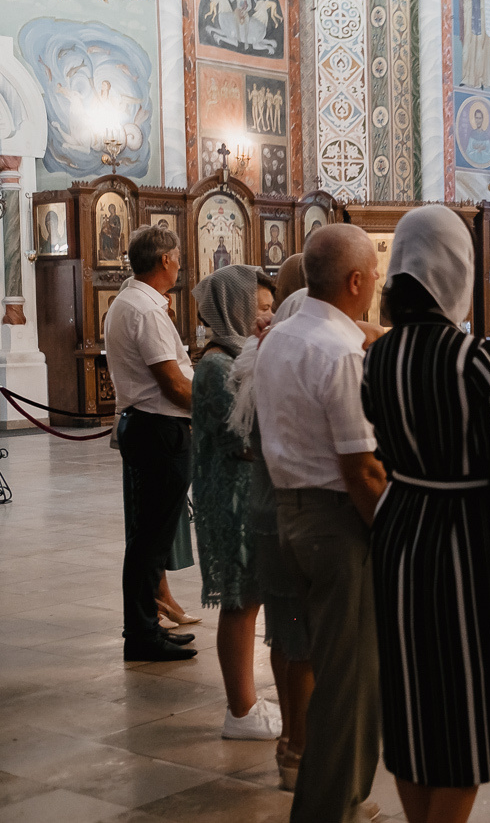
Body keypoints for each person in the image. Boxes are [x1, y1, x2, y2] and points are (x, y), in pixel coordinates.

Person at [362, 206, 490, 822]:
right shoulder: (468, 360)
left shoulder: (377, 356)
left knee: (412, 709)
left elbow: (376, 445)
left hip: (398, 527)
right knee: (467, 713)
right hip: (462, 538)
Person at [256, 224, 387, 823]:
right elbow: (361, 469)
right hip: (338, 523)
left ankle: (345, 799)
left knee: (333, 667)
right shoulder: (338, 355)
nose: (378, 286)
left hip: (291, 514)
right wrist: (390, 533)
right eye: (375, 278)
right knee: (349, 682)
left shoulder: (281, 337)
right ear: (356, 281)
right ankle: (328, 809)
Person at [225, 254, 315, 791]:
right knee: (307, 637)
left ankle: (291, 744)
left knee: (285, 632)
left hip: (265, 498)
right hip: (300, 505)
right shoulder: (313, 345)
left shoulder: (261, 349)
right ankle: (303, 749)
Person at [191, 265, 283, 741]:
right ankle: (240, 710)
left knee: (250, 597)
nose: (268, 317)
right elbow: (240, 436)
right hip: (231, 496)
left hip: (248, 490)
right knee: (240, 600)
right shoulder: (215, 365)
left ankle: (246, 701)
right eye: (261, 309)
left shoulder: (238, 355)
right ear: (235, 309)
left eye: (272, 308)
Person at [104, 225, 198, 661]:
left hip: (149, 426)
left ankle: (144, 628)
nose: (179, 261)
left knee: (149, 538)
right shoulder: (144, 309)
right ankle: (142, 635)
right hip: (158, 428)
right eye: (177, 255)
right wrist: (211, 410)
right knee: (149, 540)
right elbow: (174, 384)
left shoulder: (132, 301)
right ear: (164, 260)